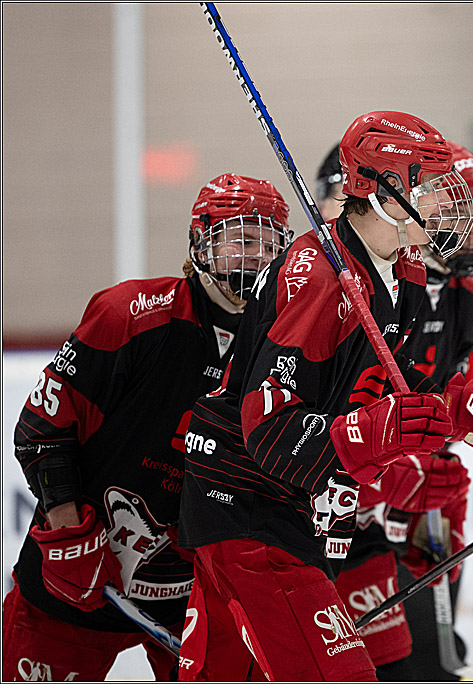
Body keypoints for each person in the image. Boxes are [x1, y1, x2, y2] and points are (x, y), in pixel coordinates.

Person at [176, 111, 473, 681]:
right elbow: (271, 432)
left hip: (296, 513)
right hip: (250, 512)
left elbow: (396, 382)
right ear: (386, 190)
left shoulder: (405, 269)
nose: (450, 204)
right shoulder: (317, 278)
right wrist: (382, 436)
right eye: (435, 186)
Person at [2, 174, 290, 682]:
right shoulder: (130, 315)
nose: (258, 259)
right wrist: (67, 533)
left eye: (271, 246)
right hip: (80, 579)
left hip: (197, 599)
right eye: (243, 241)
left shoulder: (283, 343)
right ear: (200, 242)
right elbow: (42, 430)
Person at [317, 141, 473, 679]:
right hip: (341, 493)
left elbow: (457, 402)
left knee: (423, 656)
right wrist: (394, 473)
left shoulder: (467, 300)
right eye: (462, 208)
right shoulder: (370, 284)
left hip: (415, 492)